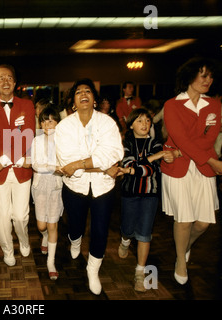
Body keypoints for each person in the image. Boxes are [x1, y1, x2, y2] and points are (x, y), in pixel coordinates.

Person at [55, 78, 124, 295]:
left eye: (88, 91)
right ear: (73, 102)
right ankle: (75, 242)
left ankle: (93, 270)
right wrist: (104, 167)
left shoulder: (107, 123)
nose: (84, 94)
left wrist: (79, 164)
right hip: (75, 186)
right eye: (78, 92)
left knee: (100, 230)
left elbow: (113, 154)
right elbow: (67, 163)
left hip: (103, 187)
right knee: (75, 225)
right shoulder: (64, 126)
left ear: (94, 99)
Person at [161, 57, 221, 285]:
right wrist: (214, 162)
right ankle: (180, 261)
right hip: (178, 169)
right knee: (184, 220)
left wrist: (197, 154)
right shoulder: (172, 105)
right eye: (203, 75)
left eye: (211, 76)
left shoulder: (214, 105)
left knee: (203, 223)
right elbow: (180, 139)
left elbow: (210, 138)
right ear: (189, 77)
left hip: (202, 168)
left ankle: (184, 247)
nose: (208, 80)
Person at [0, 63, 35, 267]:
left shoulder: (26, 105)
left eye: (9, 77)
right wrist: (1, 160)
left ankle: (23, 240)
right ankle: (7, 250)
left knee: (20, 216)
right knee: (2, 216)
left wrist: (7, 159)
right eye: (1, 78)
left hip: (21, 168)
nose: (5, 81)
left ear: (15, 82)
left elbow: (27, 135)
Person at [116, 108, 173, 292]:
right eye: (140, 121)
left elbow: (153, 169)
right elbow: (128, 163)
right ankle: (125, 240)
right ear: (131, 124)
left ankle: (139, 273)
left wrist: (134, 169)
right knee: (127, 228)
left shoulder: (156, 142)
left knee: (144, 234)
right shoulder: (126, 142)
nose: (145, 124)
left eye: (148, 121)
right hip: (130, 193)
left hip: (150, 193)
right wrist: (152, 159)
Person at [31, 105, 63, 280]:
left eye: (51, 120)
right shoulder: (36, 141)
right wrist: (53, 167)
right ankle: (43, 236)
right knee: (41, 226)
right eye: (43, 121)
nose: (47, 124)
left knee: (52, 225)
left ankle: (51, 261)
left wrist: (57, 168)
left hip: (56, 187)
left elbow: (64, 165)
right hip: (40, 186)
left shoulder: (63, 141)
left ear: (57, 122)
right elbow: (36, 165)